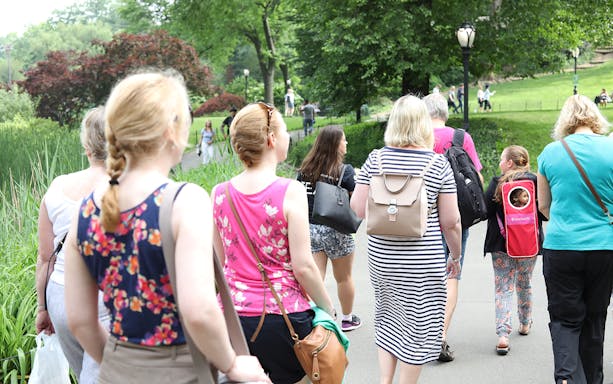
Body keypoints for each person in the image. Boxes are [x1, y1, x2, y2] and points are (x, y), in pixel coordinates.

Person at [64, 71, 270, 384]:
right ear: (171, 131)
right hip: (181, 371)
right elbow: (198, 311)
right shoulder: (184, 201)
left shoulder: (84, 211)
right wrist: (231, 364)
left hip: (115, 372)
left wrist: (124, 365)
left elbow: (79, 321)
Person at [211, 102, 336, 384]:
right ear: (271, 139)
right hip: (284, 317)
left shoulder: (219, 194)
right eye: (283, 131)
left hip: (232, 318)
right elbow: (303, 266)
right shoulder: (290, 191)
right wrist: (328, 308)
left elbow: (219, 264)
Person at [350, 95, 462, 384]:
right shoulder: (438, 165)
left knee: (388, 318)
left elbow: (357, 208)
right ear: (423, 124)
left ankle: (385, 381)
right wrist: (456, 255)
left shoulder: (376, 159)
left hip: (382, 259)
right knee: (420, 325)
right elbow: (451, 222)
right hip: (422, 262)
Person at [537, 94, 613, 384]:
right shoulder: (610, 149)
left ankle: (568, 378)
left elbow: (544, 206)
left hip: (562, 246)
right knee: (595, 318)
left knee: (565, 320)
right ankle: (593, 378)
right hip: (604, 248)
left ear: (565, 120)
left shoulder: (550, 153)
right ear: (595, 117)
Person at [36, 107, 111, 384]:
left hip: (60, 297)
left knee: (85, 375)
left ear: (86, 144)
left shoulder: (58, 186)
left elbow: (45, 258)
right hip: (104, 300)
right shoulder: (127, 189)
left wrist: (42, 309)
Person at [422, 92, 483, 362]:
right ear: (445, 112)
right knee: (451, 272)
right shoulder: (461, 138)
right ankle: (440, 336)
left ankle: (420, 334)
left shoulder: (417, 136)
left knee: (423, 274)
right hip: (456, 216)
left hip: (421, 218)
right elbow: (476, 176)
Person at [297, 125, 362, 332]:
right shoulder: (345, 171)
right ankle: (347, 319)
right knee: (344, 278)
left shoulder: (305, 170)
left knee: (316, 277)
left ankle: (316, 317)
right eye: (344, 140)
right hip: (337, 231)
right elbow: (356, 202)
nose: (346, 143)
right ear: (335, 144)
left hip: (310, 231)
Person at [483, 145, 546, 356]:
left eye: (502, 160)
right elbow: (544, 213)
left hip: (501, 244)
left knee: (503, 286)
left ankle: (502, 334)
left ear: (509, 162)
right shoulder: (535, 182)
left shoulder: (497, 183)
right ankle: (525, 322)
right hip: (528, 244)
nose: (500, 164)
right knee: (524, 282)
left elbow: (485, 211)